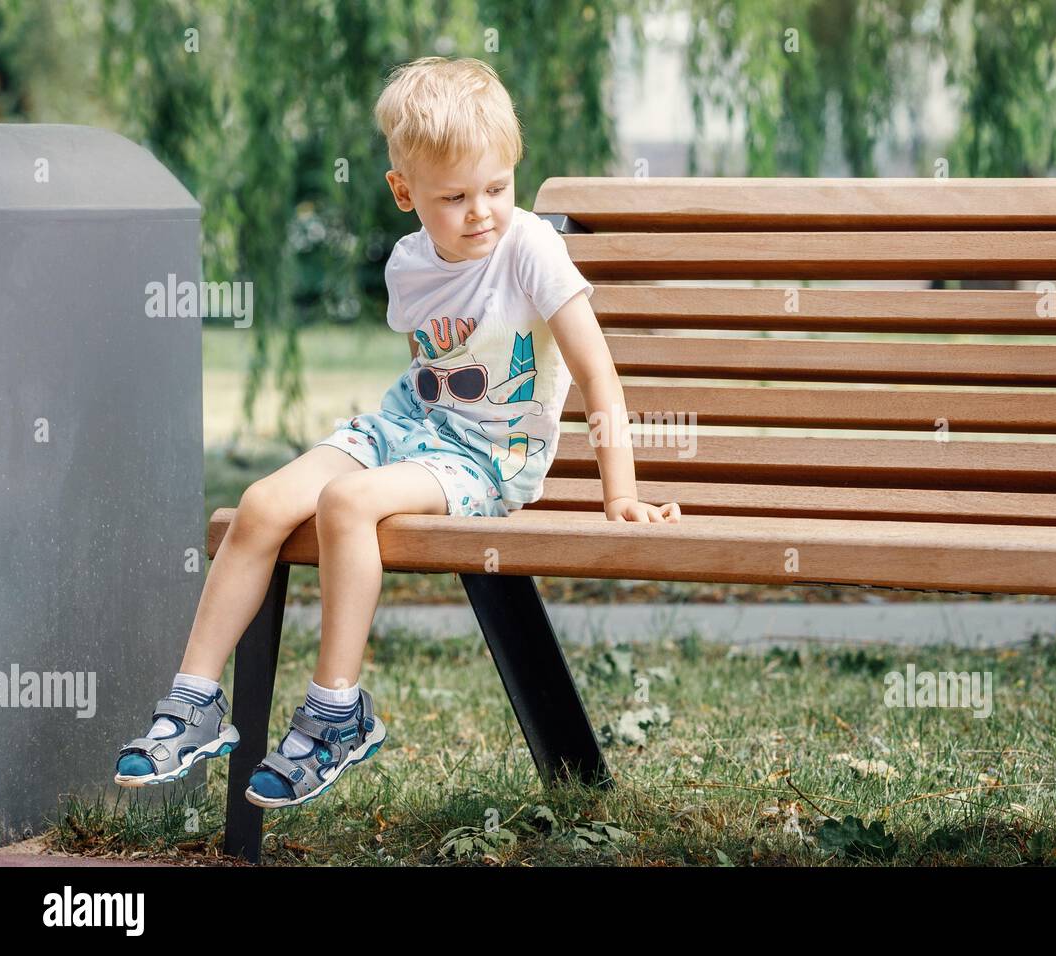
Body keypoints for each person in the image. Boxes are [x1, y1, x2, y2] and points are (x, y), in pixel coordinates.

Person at [114, 55, 681, 809]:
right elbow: (430, 374)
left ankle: (335, 715)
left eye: (496, 188)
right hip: (408, 426)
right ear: (403, 192)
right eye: (454, 197)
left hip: (489, 459)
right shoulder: (409, 264)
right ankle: (191, 705)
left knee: (347, 504)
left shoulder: (531, 250)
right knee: (258, 505)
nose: (481, 210)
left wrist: (621, 496)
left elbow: (597, 372)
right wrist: (391, 437)